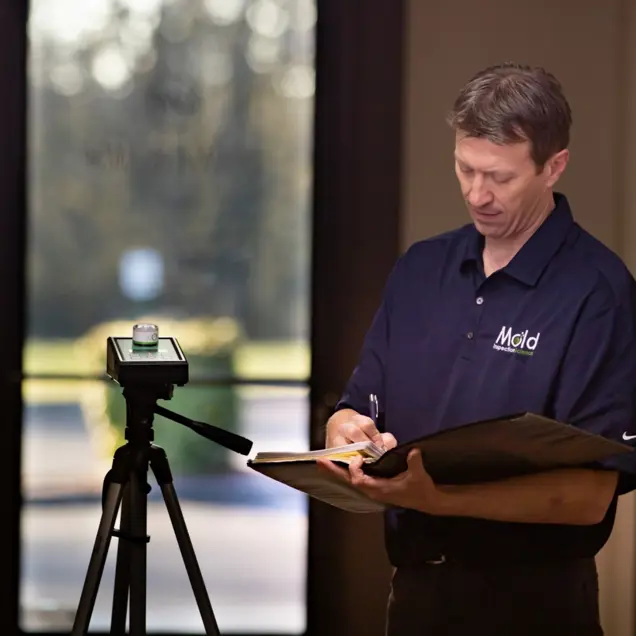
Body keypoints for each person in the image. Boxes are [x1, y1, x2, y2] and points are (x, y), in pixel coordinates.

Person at [317, 62, 636, 636]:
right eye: (465, 168)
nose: (477, 194)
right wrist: (345, 427)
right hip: (413, 595)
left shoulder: (599, 293)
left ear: (553, 167)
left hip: (535, 603)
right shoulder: (420, 269)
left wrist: (437, 499)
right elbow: (359, 401)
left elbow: (589, 497)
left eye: (500, 177)